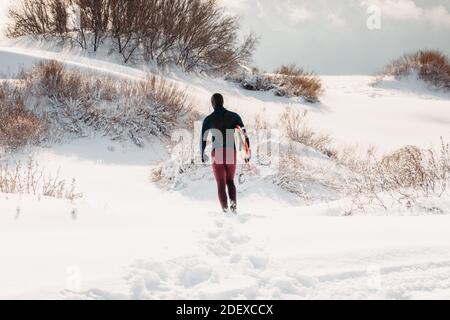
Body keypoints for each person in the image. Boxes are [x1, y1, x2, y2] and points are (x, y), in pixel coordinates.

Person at [200, 93, 250, 213]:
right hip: (230, 151)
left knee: (221, 183)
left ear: (213, 103)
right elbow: (244, 135)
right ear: (222, 102)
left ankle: (225, 210)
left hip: (217, 152)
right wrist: (248, 153)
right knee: (230, 181)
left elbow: (202, 138)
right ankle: (233, 207)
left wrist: (202, 154)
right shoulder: (234, 116)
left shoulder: (208, 119)